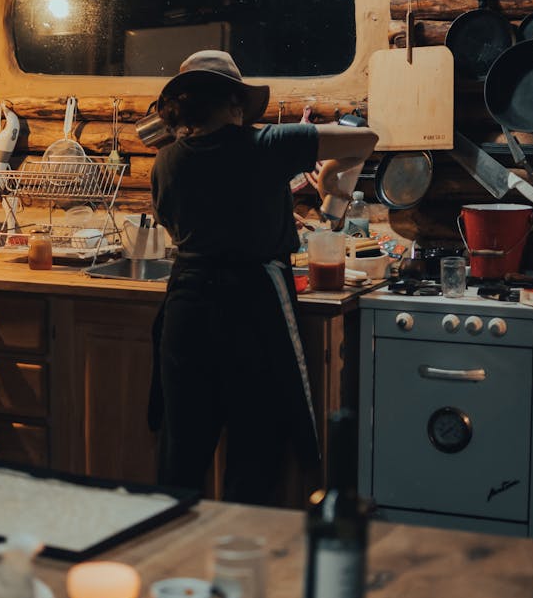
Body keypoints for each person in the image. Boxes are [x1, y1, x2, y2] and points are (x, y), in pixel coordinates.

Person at [149, 50, 378, 505]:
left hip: (188, 304)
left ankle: (171, 561)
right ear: (234, 103)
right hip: (250, 306)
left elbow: (173, 224)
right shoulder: (267, 143)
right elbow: (365, 138)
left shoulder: (166, 162)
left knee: (182, 454)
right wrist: (332, 179)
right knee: (254, 454)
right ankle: (242, 561)